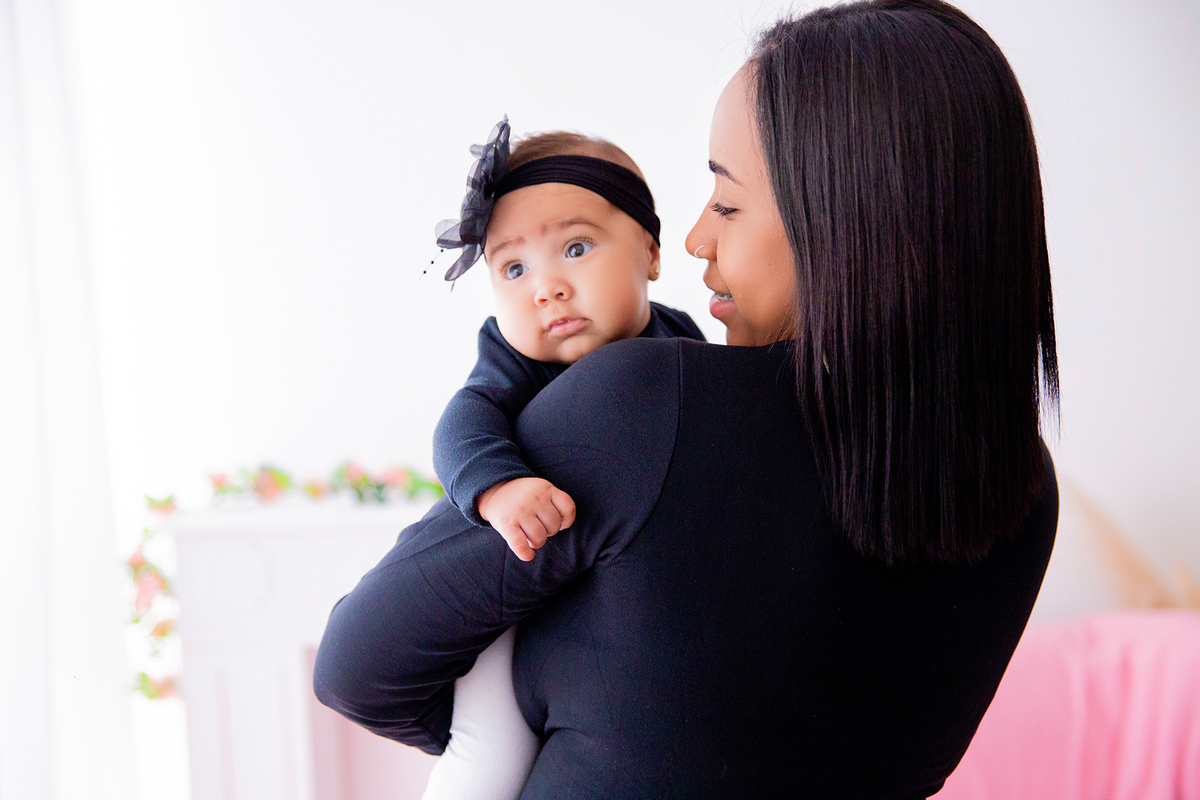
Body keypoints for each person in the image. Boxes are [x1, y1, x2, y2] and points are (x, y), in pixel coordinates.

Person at [314, 1, 1061, 796]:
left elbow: (359, 667)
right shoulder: (1021, 489)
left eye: (728, 203)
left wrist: (531, 725)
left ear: (851, 225)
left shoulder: (647, 409)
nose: (698, 237)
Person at [424, 125, 705, 798]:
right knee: (487, 751)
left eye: (575, 249)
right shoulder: (512, 358)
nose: (545, 288)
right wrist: (501, 490)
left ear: (649, 250)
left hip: (617, 605)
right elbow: (462, 424)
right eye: (513, 269)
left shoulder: (682, 343)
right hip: (514, 599)